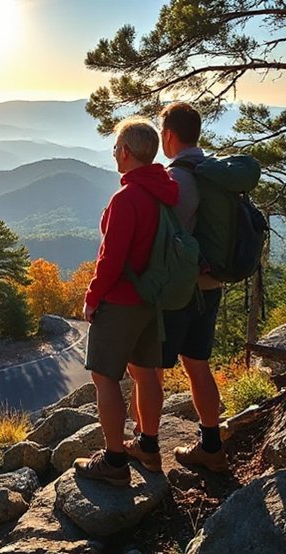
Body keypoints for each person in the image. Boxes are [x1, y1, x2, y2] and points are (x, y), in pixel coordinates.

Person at [73, 117, 179, 487]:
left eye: (116, 148)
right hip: (153, 299)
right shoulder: (164, 191)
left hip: (121, 301)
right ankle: (149, 447)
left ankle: (115, 461)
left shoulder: (127, 197)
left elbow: (111, 259)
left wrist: (92, 297)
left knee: (104, 379)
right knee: (145, 372)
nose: (114, 155)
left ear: (128, 152)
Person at [126, 102, 228, 473]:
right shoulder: (214, 172)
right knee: (198, 365)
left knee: (146, 366)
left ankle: (147, 445)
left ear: (167, 135)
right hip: (211, 283)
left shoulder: (176, 179)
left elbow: (161, 238)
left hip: (179, 290)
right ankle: (211, 446)